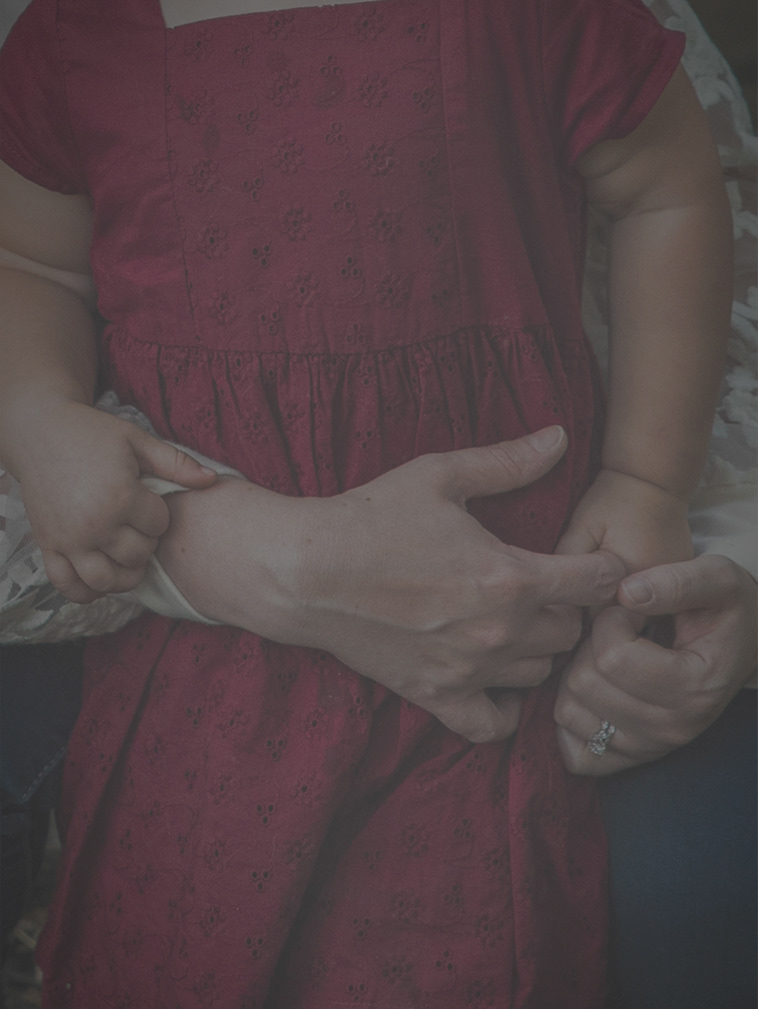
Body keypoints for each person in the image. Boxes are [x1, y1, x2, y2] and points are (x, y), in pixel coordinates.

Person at [0, 1, 740, 1007]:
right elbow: (29, 262)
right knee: (175, 941)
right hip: (203, 661)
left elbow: (667, 189)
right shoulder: (77, 34)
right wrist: (37, 410)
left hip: (482, 635)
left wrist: (647, 478)